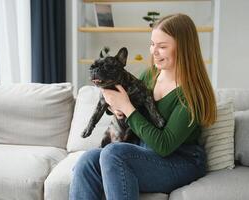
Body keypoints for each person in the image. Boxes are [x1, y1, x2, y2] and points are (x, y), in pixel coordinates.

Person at [69, 13, 217, 200]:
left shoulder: (192, 94)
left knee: (113, 154)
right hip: (143, 151)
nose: (154, 51)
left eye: (162, 46)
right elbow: (125, 103)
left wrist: (127, 108)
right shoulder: (152, 74)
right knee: (87, 161)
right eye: (152, 44)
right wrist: (116, 108)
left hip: (181, 161)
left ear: (184, 49)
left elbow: (164, 146)